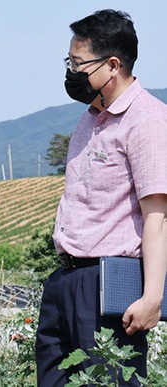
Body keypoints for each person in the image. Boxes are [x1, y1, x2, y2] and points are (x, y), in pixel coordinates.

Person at [35, 9, 167, 385]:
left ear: (112, 65)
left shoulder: (147, 121)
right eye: (69, 62)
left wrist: (152, 298)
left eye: (79, 64)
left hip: (108, 284)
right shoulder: (92, 117)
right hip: (65, 280)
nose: (72, 73)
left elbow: (157, 216)